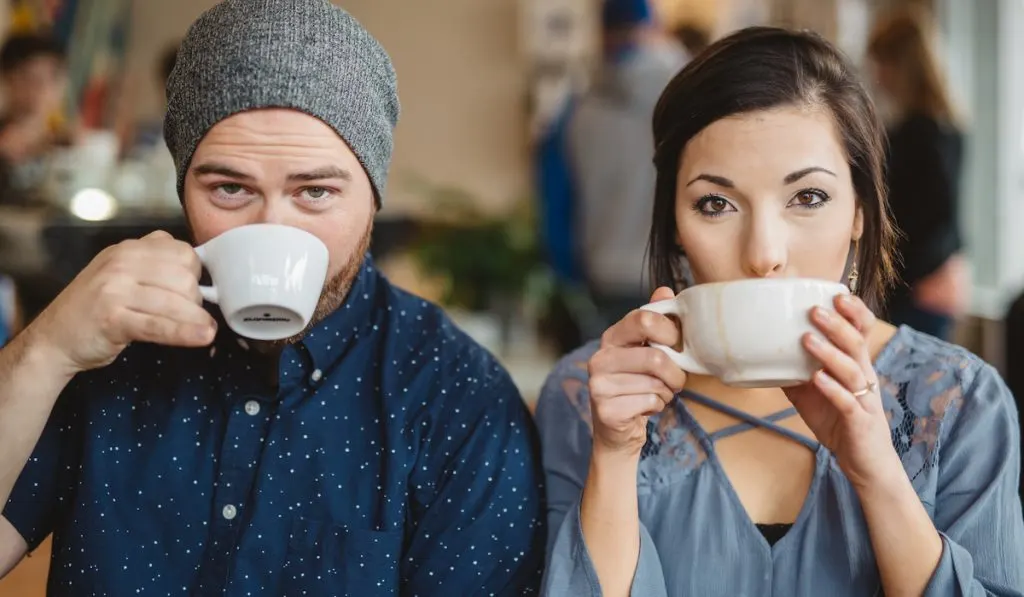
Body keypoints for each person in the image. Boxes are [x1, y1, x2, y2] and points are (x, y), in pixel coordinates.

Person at [0, 1, 545, 594]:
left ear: (373, 196)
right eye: (230, 188)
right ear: (183, 186)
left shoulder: (457, 396)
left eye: (314, 192)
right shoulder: (106, 343)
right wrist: (45, 350)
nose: (273, 229)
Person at [537, 26, 1024, 597]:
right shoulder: (588, 395)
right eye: (715, 203)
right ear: (674, 227)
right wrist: (615, 456)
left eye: (808, 198)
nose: (764, 253)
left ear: (860, 213)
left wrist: (877, 473)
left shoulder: (961, 402)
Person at [536, 0, 688, 335]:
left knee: (616, 378)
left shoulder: (576, 110)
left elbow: (554, 204)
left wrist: (568, 273)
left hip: (604, 277)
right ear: (655, 28)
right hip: (679, 273)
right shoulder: (695, 96)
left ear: (602, 33)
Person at [866, 6, 968, 340]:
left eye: (883, 64)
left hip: (921, 286)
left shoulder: (918, 135)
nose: (880, 76)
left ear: (901, 65)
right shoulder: (948, 128)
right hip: (938, 278)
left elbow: (932, 217)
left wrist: (901, 283)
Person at [0, 31, 72, 201]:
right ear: (7, 79)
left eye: (52, 77)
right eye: (30, 77)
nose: (42, 89)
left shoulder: (67, 145)